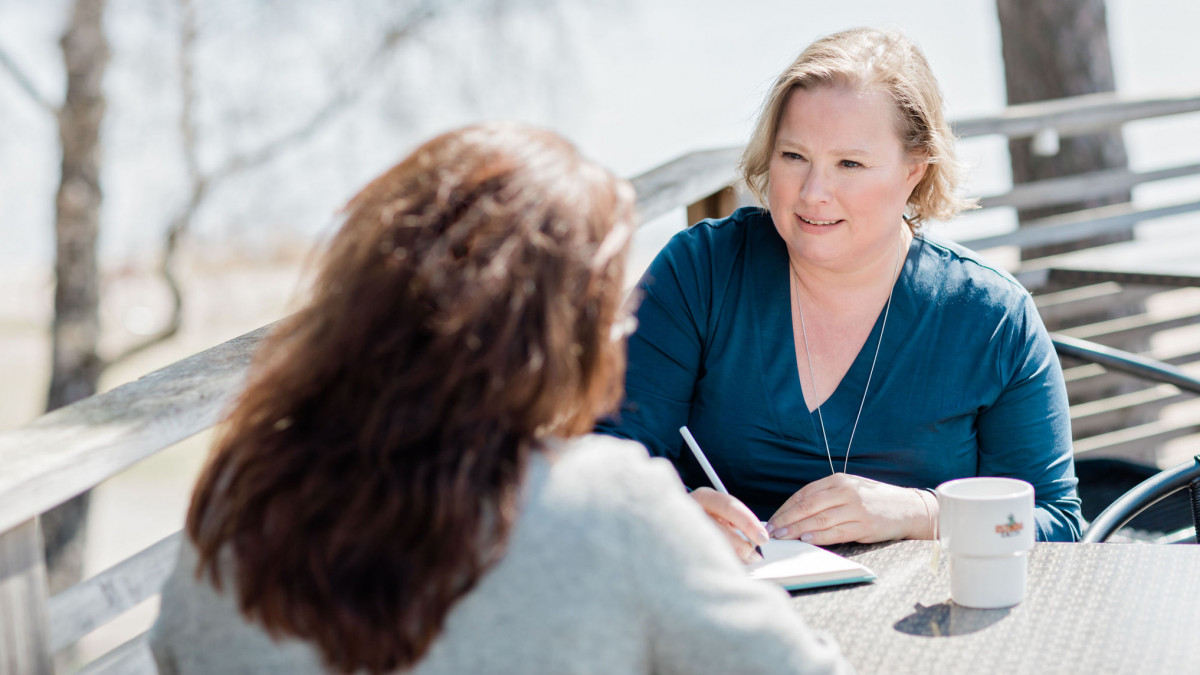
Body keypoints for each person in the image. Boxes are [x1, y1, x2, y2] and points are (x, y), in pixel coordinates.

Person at [149, 123, 850, 675]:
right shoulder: (610, 502)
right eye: (607, 302)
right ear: (553, 330)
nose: (624, 326)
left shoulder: (239, 502)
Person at [597, 27, 1083, 558]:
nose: (813, 192)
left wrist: (921, 513)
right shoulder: (701, 270)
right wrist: (674, 514)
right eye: (793, 156)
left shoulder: (992, 318)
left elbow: (1056, 525)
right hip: (719, 596)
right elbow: (600, 464)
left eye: (849, 164)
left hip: (921, 608)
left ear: (914, 171)